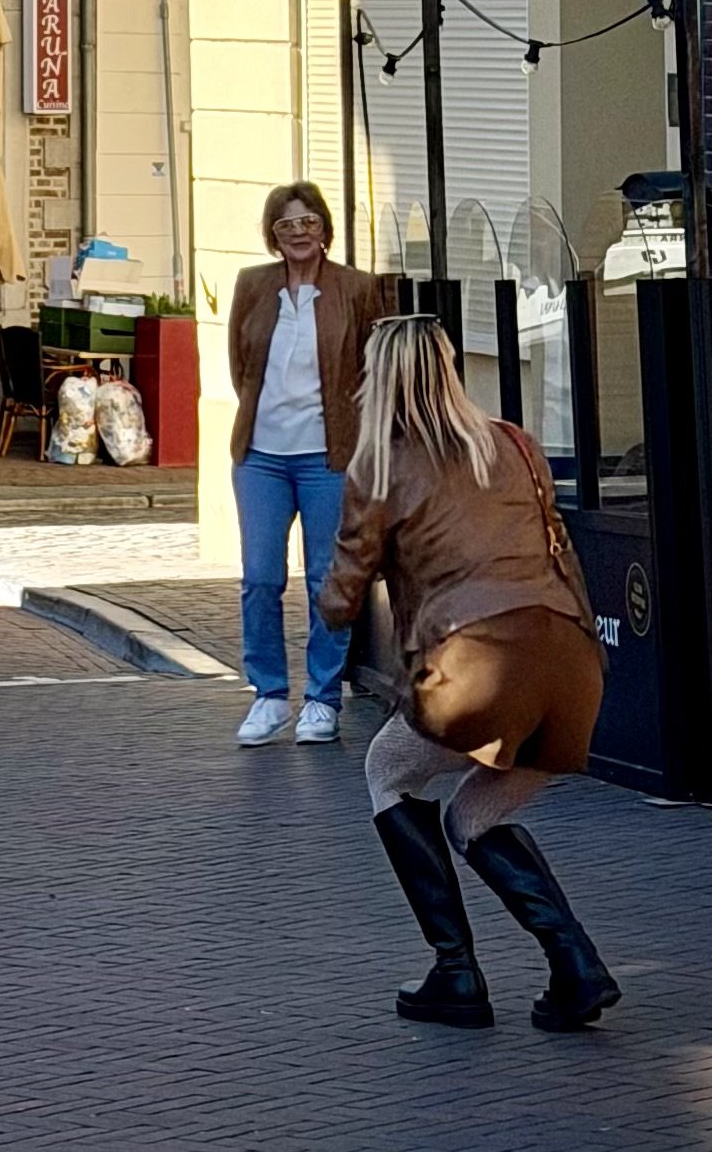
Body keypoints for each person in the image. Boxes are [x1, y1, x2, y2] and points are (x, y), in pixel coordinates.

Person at [316, 316, 617, 1033]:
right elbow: (559, 548)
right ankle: (576, 966)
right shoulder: (514, 442)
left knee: (387, 771)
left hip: (477, 665)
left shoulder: (380, 466)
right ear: (450, 368)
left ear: (380, 378)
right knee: (474, 815)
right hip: (569, 666)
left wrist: (338, 588)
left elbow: (342, 599)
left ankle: (455, 970)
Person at [225, 181, 381, 745]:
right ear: (273, 234)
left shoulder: (356, 289)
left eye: (308, 221)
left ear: (324, 228)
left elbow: (371, 369)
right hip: (260, 457)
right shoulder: (252, 285)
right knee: (260, 579)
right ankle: (268, 695)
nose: (299, 233)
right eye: (286, 225)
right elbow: (240, 366)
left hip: (327, 458)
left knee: (325, 580)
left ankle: (322, 699)